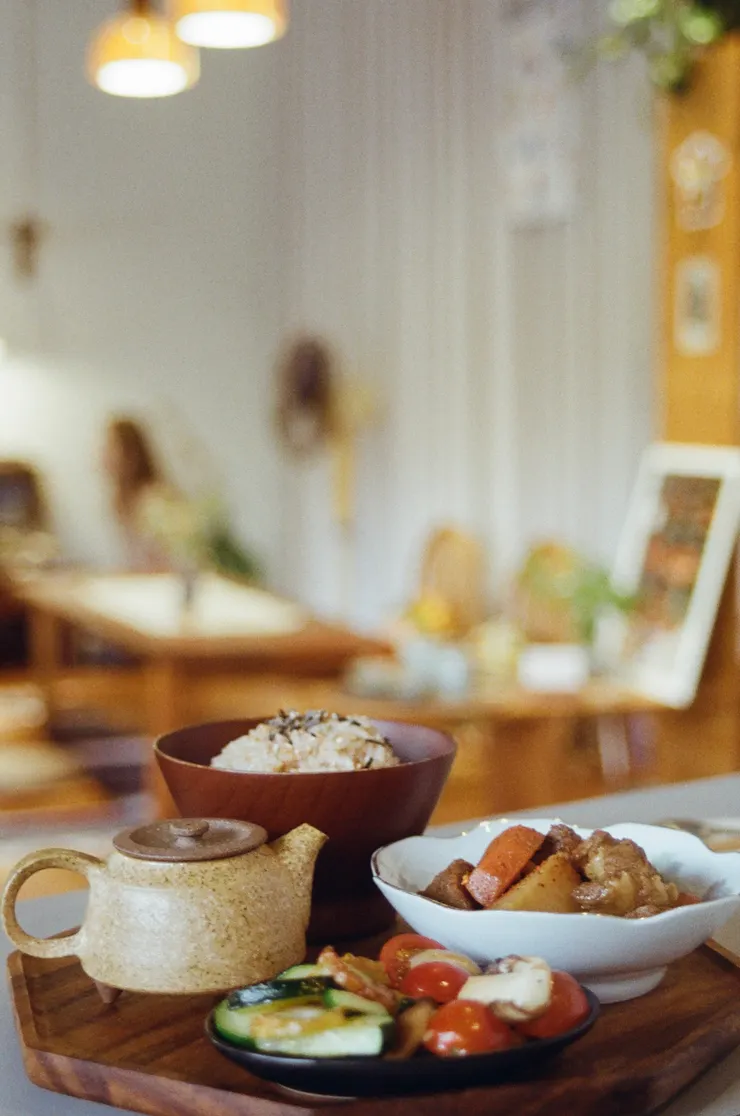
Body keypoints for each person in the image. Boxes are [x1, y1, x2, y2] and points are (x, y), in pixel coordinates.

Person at [102, 416, 261, 582]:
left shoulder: (156, 499)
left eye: (110, 446)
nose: (102, 454)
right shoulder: (121, 500)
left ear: (130, 453)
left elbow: (170, 562)